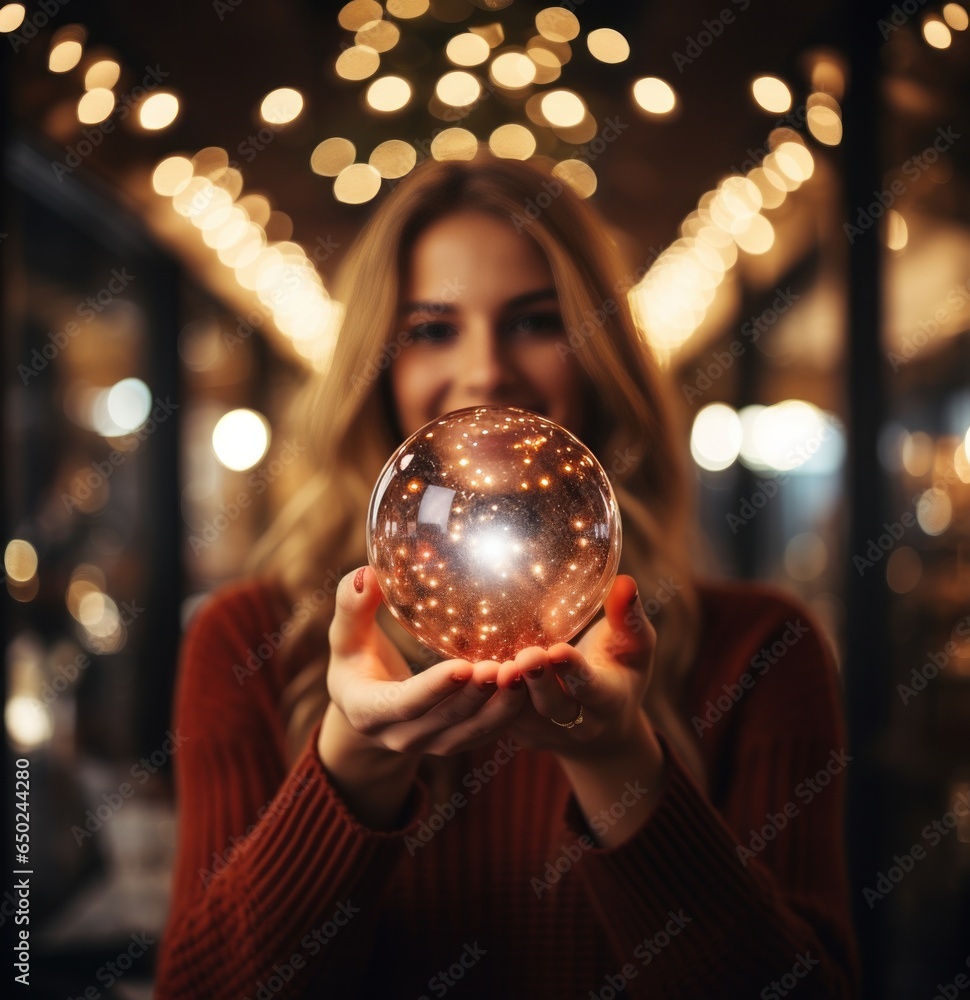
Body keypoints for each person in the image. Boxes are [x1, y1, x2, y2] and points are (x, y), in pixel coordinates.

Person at [155, 152, 859, 998]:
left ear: (601, 354)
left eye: (535, 320)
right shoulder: (248, 641)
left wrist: (615, 758)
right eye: (431, 329)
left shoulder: (762, 651)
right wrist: (355, 761)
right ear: (376, 367)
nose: (486, 371)